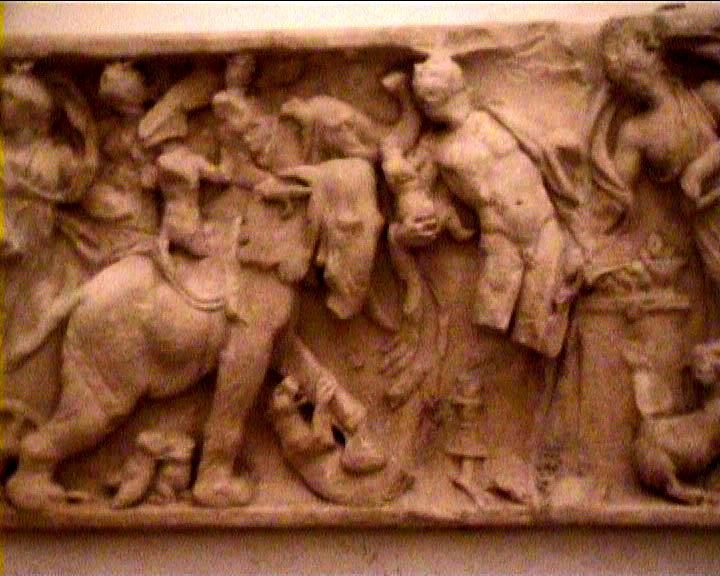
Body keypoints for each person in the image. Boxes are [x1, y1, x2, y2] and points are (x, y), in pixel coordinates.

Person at [400, 53, 580, 358]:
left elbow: (544, 152)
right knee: (492, 333)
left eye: (431, 90)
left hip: (544, 228)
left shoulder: (497, 117)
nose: (427, 100)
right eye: (423, 94)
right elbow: (413, 195)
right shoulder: (433, 147)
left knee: (541, 334)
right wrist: (410, 223)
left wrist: (577, 233)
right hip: (500, 242)